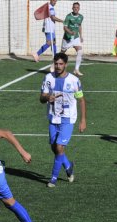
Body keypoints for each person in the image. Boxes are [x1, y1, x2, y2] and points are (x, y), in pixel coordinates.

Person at [40, 52, 86, 188]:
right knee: (55, 148)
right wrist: (47, 97)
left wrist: (83, 120)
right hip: (53, 117)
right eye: (56, 64)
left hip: (68, 118)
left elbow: (81, 100)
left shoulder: (74, 81)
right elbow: (41, 98)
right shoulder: (48, 78)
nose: (58, 66)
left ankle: (53, 179)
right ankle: (68, 167)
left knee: (60, 147)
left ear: (66, 64)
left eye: (61, 64)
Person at [32, 0, 63, 65]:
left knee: (53, 43)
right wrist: (62, 21)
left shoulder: (48, 6)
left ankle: (55, 58)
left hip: (50, 28)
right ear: (51, 0)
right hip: (49, 29)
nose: (55, 2)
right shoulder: (50, 7)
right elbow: (52, 17)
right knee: (49, 43)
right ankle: (37, 54)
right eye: (54, 1)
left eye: (56, 1)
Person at [61, 2, 84, 76]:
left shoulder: (81, 17)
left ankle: (76, 69)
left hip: (76, 37)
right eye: (74, 7)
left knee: (80, 51)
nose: (76, 9)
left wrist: (81, 36)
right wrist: (70, 32)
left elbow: (79, 26)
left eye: (77, 7)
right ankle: (54, 64)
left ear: (79, 8)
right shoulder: (68, 16)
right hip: (67, 38)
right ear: (72, 8)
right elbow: (64, 27)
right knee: (62, 54)